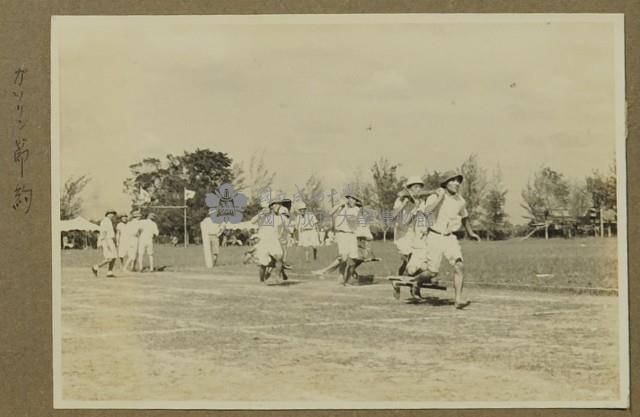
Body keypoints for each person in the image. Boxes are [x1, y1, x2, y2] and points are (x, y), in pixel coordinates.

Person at [396, 170, 481, 309]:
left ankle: (458, 299)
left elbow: (464, 216)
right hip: (434, 236)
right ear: (445, 183)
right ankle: (416, 281)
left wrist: (471, 233)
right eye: (452, 180)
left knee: (459, 265)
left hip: (450, 237)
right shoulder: (435, 195)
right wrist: (439, 198)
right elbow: (427, 212)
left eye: (458, 181)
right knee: (432, 272)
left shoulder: (460, 200)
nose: (456, 183)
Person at [249, 199, 289, 283]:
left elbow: (287, 227)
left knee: (279, 258)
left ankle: (277, 277)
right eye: (276, 204)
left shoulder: (282, 218)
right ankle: (261, 280)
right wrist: (261, 213)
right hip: (264, 241)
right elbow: (252, 221)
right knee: (263, 264)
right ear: (271, 206)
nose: (278, 206)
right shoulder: (264, 215)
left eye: (279, 205)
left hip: (274, 241)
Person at [392, 176, 425, 276]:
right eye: (415, 187)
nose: (418, 189)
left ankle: (409, 282)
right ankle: (400, 280)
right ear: (409, 188)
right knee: (408, 257)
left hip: (413, 232)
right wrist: (404, 203)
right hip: (401, 233)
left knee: (414, 260)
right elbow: (393, 215)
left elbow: (420, 218)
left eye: (420, 187)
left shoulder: (420, 201)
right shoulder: (400, 200)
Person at [330, 193, 362, 285]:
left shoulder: (356, 209)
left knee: (353, 258)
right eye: (350, 198)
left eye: (354, 199)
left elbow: (350, 218)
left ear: (356, 201)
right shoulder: (342, 207)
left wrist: (346, 207)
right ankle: (341, 276)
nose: (351, 200)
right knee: (344, 257)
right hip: (342, 234)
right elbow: (330, 213)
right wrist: (339, 205)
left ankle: (346, 279)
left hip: (352, 235)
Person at [91, 210, 118, 278]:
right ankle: (96, 267)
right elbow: (104, 233)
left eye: (113, 214)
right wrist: (107, 243)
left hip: (110, 240)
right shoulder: (105, 221)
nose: (112, 215)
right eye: (110, 214)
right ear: (107, 214)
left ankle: (109, 272)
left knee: (114, 257)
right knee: (109, 258)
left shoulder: (109, 221)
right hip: (106, 240)